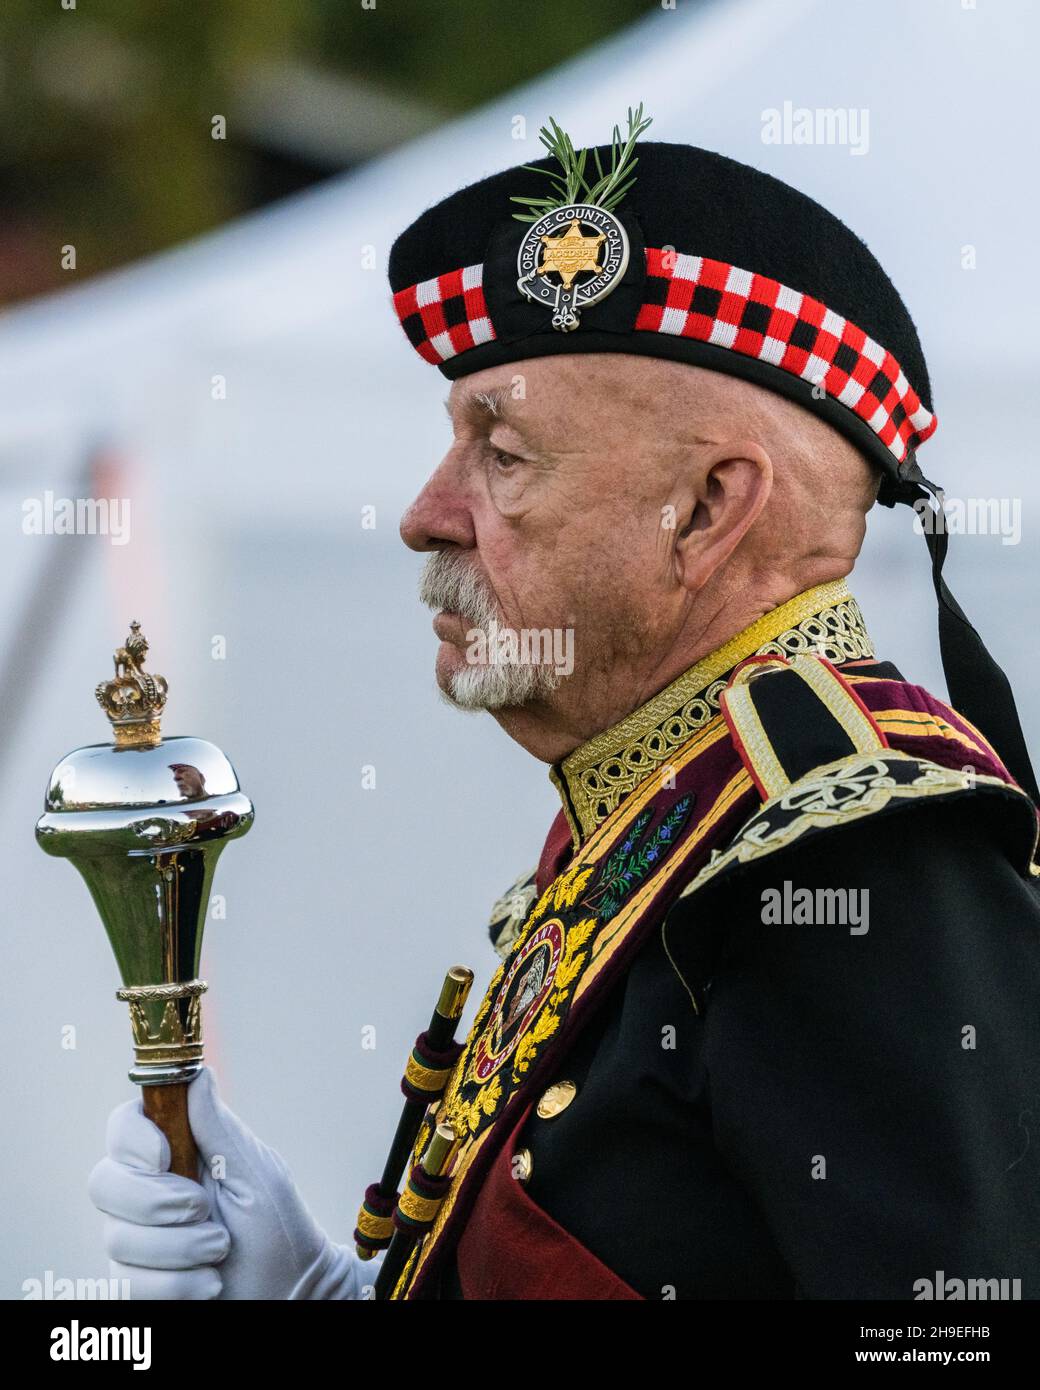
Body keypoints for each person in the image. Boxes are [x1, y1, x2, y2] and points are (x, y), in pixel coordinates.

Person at [89, 119, 1040, 1300]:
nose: (426, 514)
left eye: (502, 456)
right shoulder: (674, 801)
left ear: (702, 511)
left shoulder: (859, 851)